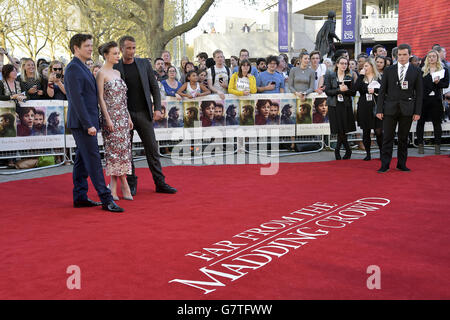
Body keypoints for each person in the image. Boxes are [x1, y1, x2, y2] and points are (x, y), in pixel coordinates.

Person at [65, 34, 123, 213]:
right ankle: (106, 199)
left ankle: (80, 196)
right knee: (93, 160)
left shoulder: (82, 66)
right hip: (83, 124)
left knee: (82, 161)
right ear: (76, 47)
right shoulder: (73, 69)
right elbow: (76, 100)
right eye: (87, 46)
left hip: (88, 122)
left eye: (91, 45)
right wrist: (88, 124)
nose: (91, 48)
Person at [114, 35, 176, 195]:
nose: (132, 51)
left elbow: (154, 87)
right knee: (127, 151)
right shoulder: (115, 66)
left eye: (133, 48)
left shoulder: (143, 64)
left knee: (152, 149)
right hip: (124, 115)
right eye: (128, 48)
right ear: (121, 49)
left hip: (144, 113)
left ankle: (160, 183)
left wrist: (157, 107)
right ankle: (131, 183)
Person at [376, 44, 423, 173]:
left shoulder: (416, 71)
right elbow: (382, 92)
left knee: (403, 138)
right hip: (390, 109)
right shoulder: (389, 70)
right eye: (400, 55)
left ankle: (401, 164)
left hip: (407, 109)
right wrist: (379, 109)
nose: (402, 57)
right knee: (387, 138)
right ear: (396, 56)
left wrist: (417, 112)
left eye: (404, 54)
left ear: (409, 55)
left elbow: (419, 93)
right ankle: (385, 164)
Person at [96, 41, 134, 201]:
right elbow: (100, 99)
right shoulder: (101, 73)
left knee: (124, 152)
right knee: (113, 152)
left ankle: (112, 187)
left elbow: (123, 99)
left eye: (118, 53)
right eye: (115, 53)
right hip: (111, 118)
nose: (118, 56)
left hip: (123, 118)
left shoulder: (117, 73)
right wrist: (107, 119)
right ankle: (124, 185)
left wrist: (129, 117)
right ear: (106, 55)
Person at [416, 50, 449, 155]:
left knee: (437, 123)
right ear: (427, 59)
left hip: (436, 100)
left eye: (434, 56)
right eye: (429, 56)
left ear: (437, 58)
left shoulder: (443, 70)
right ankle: (420, 145)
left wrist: (438, 82)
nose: (431, 58)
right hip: (423, 100)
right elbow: (418, 86)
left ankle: (437, 146)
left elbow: (445, 84)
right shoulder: (421, 70)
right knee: (420, 123)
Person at [324, 56, 356, 160]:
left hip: (345, 105)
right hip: (334, 104)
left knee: (343, 128)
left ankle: (339, 150)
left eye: (345, 64)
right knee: (339, 128)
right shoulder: (330, 74)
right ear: (337, 64)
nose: (344, 65)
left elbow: (353, 92)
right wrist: (339, 90)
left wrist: (346, 90)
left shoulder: (349, 76)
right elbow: (327, 91)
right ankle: (346, 149)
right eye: (342, 63)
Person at [354, 58, 383, 160]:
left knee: (379, 131)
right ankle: (368, 154)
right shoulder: (361, 78)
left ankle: (382, 152)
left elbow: (384, 91)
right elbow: (355, 88)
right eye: (363, 66)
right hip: (364, 107)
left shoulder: (379, 77)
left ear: (372, 66)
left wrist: (375, 90)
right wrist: (361, 75)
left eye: (366, 66)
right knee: (366, 132)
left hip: (376, 106)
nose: (364, 68)